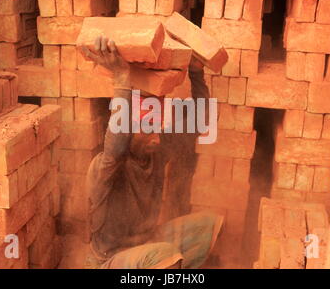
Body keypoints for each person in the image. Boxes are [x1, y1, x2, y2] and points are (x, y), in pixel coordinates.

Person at [80, 35, 224, 269]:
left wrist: (196, 72)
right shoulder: (106, 166)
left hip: (146, 243)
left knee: (208, 226)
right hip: (109, 262)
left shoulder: (155, 150)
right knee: (163, 255)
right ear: (129, 132)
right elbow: (115, 145)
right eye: (149, 129)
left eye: (157, 127)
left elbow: (200, 123)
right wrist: (122, 77)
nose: (157, 137)